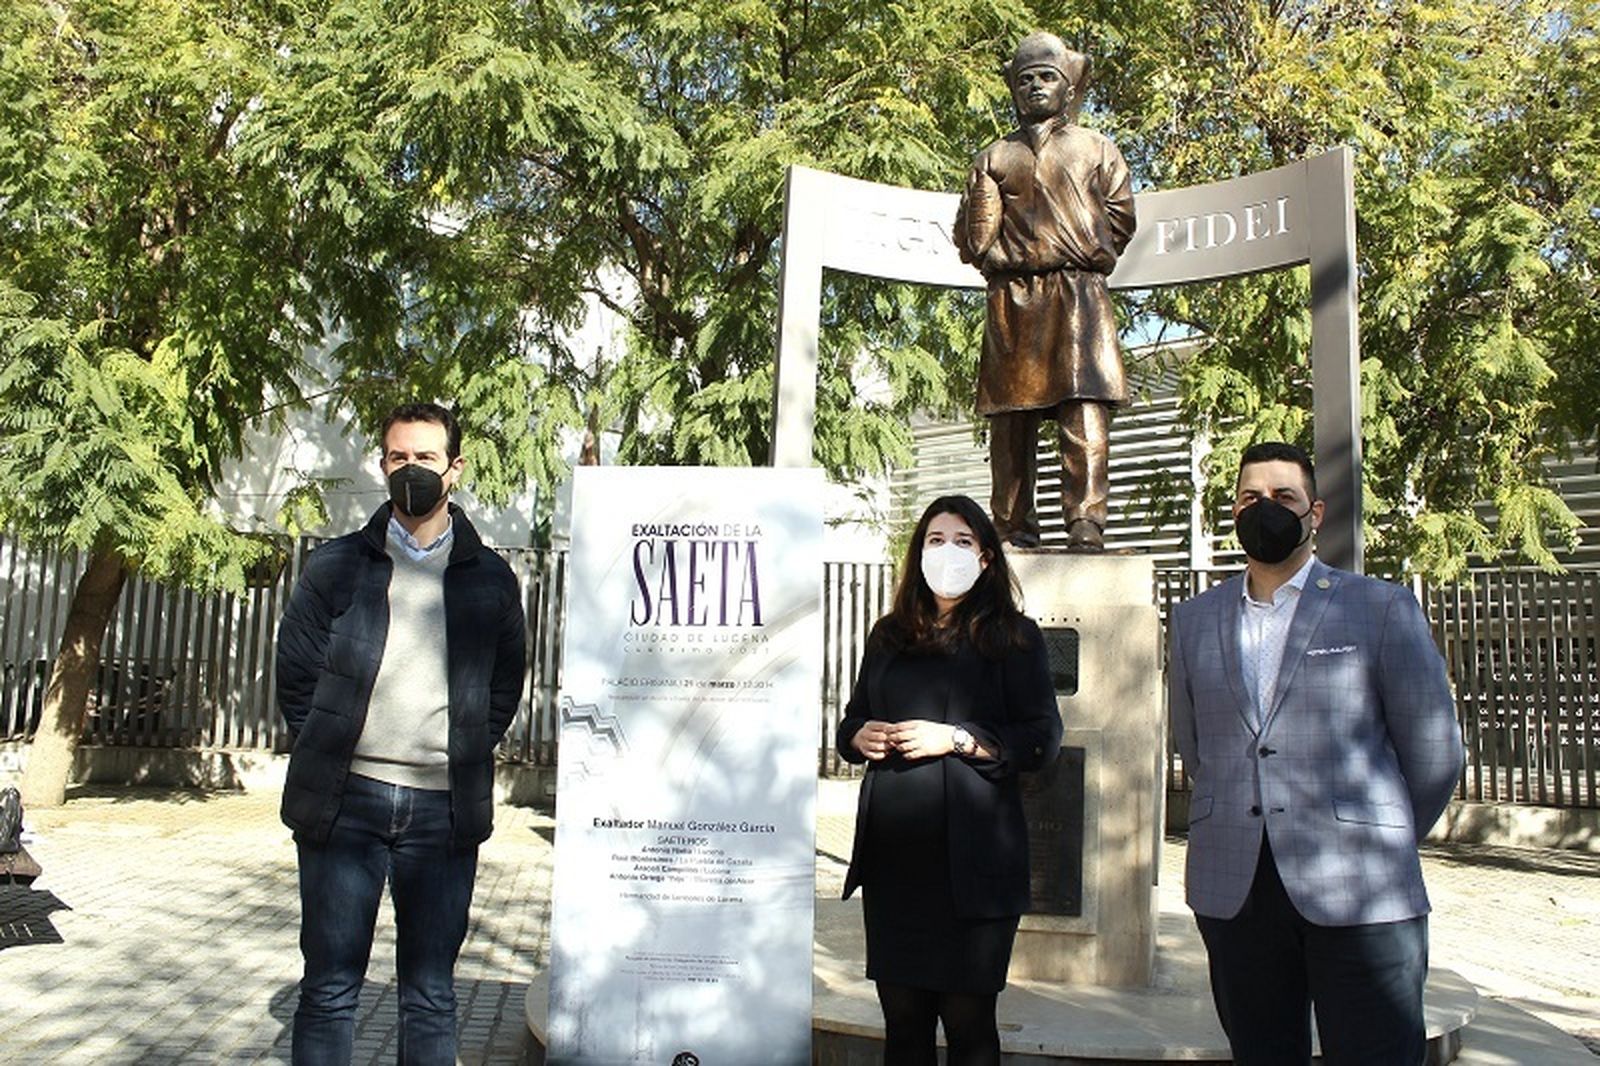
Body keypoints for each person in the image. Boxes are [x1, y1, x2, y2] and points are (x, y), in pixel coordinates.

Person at [1167, 441, 1465, 1065]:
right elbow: (1199, 748)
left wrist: (1376, 832)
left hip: (1361, 887)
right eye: (1251, 497)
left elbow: (1434, 749)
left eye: (1283, 497)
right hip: (1237, 891)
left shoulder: (1379, 607)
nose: (1265, 508)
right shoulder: (1194, 620)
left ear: (1316, 513)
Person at [275, 402, 527, 1065]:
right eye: (398, 458)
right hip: (343, 804)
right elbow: (297, 676)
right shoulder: (337, 566)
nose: (411, 470)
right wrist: (329, 749)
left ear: (455, 469)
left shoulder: (491, 578)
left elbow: (503, 687)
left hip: (441, 812)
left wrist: (460, 748)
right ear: (382, 464)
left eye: (426, 458)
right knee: (329, 987)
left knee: (430, 992)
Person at [836, 494, 1062, 1065]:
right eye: (936, 540)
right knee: (904, 1024)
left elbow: (1040, 738)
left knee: (968, 1026)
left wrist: (955, 738)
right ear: (918, 554)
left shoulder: (1014, 637)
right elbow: (853, 718)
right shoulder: (888, 634)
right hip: (896, 866)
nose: (948, 552)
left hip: (976, 869)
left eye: (963, 541)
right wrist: (857, 736)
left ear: (986, 559)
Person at [954, 32, 1137, 552]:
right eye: (1024, 79)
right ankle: (1012, 528)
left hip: (1077, 292)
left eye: (1047, 77)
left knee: (1083, 410)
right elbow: (969, 235)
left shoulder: (1097, 147)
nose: (1035, 86)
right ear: (1012, 88)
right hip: (1011, 298)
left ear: (1068, 85)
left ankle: (1086, 522)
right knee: (1011, 424)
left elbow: (1121, 217)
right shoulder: (995, 154)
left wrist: (1083, 249)